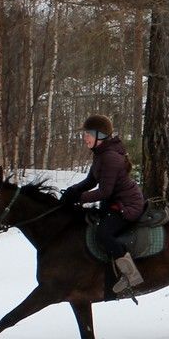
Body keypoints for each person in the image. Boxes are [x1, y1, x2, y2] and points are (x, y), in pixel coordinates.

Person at [61, 114, 146, 294]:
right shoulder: (100, 155)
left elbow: (105, 191)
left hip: (127, 205)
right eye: (85, 134)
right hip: (114, 203)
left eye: (88, 134)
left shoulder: (109, 157)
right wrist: (72, 191)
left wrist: (80, 198)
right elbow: (90, 182)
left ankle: (131, 275)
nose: (85, 138)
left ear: (100, 136)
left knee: (103, 234)